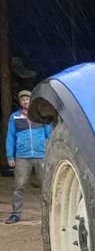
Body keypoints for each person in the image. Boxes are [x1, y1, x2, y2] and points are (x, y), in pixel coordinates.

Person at [5, 90, 51, 224]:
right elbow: (10, 137)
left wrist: (50, 153)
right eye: (23, 100)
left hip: (41, 155)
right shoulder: (15, 117)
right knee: (19, 186)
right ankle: (15, 214)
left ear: (32, 100)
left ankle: (49, 214)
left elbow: (50, 135)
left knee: (47, 186)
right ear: (20, 102)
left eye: (28, 99)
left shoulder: (41, 116)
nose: (25, 101)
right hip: (22, 156)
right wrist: (9, 155)